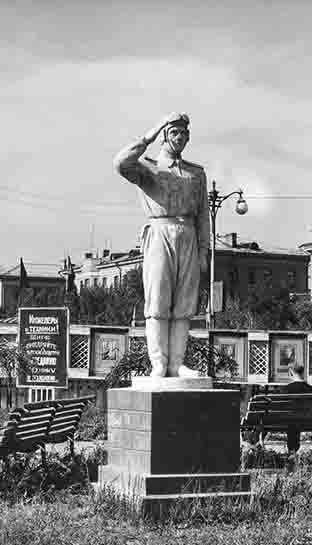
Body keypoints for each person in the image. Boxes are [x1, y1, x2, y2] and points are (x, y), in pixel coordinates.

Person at [114, 113, 210, 377]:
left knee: (184, 304)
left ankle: (177, 364)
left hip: (188, 234)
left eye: (184, 134)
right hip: (159, 232)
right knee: (157, 300)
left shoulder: (196, 173)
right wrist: (151, 132)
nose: (180, 138)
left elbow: (203, 214)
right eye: (174, 133)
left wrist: (204, 249)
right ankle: (158, 363)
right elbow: (120, 163)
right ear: (165, 136)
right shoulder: (148, 167)